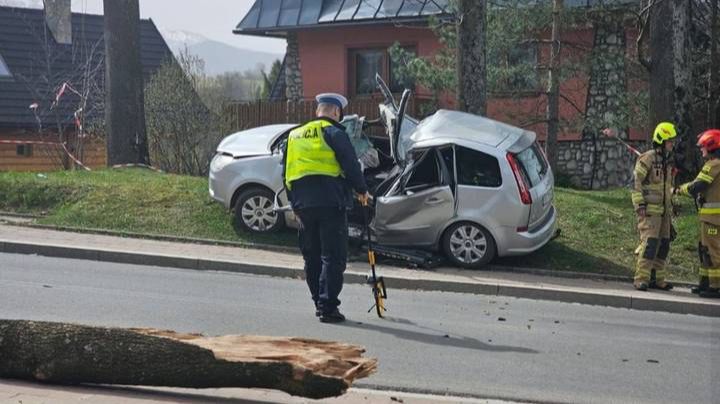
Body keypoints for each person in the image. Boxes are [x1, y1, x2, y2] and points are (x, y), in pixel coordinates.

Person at [283, 92, 370, 323]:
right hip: (330, 202)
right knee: (333, 256)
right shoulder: (334, 132)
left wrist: (294, 202)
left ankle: (318, 302)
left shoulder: (294, 135)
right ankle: (328, 307)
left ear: (317, 111)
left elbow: (286, 172)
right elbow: (350, 164)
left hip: (303, 204)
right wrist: (362, 190)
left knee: (311, 256)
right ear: (336, 112)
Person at [630, 122, 677, 291]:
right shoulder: (647, 158)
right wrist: (639, 205)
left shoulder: (667, 162)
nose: (672, 143)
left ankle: (658, 279)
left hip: (664, 213)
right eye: (670, 140)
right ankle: (641, 278)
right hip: (649, 211)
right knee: (649, 245)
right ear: (661, 140)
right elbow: (635, 183)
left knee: (664, 245)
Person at [675, 129, 720, 299]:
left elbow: (697, 186)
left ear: (711, 146)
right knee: (704, 250)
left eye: (702, 147)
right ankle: (705, 282)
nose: (701, 150)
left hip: (713, 219)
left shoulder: (713, 165)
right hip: (710, 218)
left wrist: (678, 190)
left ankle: (715, 286)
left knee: (712, 251)